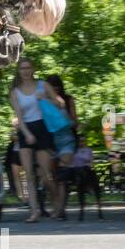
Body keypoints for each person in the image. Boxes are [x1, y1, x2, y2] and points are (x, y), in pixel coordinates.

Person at [9, 57, 57, 222]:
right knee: (28, 174)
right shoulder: (15, 92)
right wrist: (26, 133)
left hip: (42, 127)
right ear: (19, 71)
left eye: (28, 67)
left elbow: (60, 104)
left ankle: (57, 203)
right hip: (26, 130)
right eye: (22, 68)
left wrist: (45, 98)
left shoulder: (43, 85)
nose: (25, 71)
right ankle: (34, 211)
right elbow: (19, 117)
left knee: (45, 174)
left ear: (33, 69)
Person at [44, 74, 79, 219]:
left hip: (66, 139)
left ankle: (60, 209)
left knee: (62, 176)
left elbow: (74, 121)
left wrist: (64, 119)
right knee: (48, 177)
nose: (55, 90)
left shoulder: (67, 100)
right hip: (50, 141)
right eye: (52, 88)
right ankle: (58, 204)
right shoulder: (43, 102)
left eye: (57, 87)